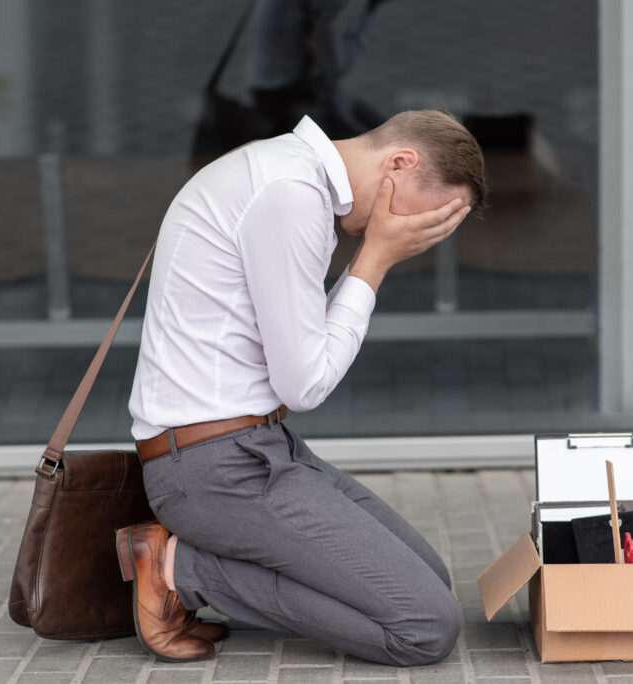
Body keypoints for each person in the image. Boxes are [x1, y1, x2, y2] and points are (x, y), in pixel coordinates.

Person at [116, 110, 487, 665]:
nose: (420, 235)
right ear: (400, 163)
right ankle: (179, 571)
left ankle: (205, 567)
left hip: (254, 449)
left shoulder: (282, 171)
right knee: (424, 627)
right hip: (214, 469)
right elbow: (306, 382)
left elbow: (299, 353)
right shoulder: (291, 195)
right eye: (428, 217)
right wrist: (377, 258)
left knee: (427, 580)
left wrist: (373, 254)